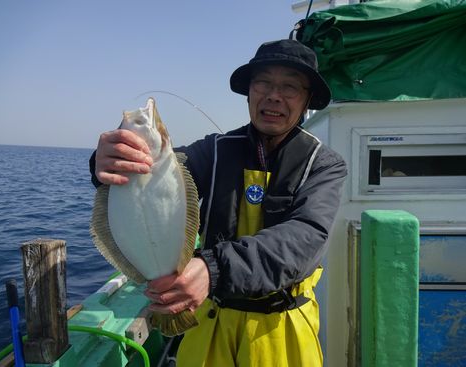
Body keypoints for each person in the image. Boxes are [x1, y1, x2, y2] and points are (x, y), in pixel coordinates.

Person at [90, 39, 347, 367]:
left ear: (307, 99)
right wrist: (109, 162)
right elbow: (156, 176)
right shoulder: (213, 151)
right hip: (209, 323)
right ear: (250, 91)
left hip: (281, 332)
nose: (273, 95)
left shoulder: (323, 164)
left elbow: (304, 238)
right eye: (263, 82)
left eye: (290, 87)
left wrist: (213, 269)